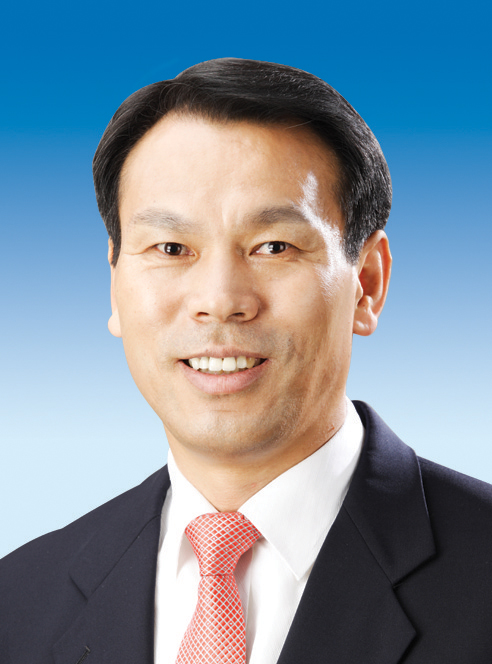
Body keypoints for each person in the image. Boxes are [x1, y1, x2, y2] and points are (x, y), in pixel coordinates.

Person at [1, 58, 492, 664]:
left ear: (367, 283)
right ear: (114, 285)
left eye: (274, 246)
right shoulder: (19, 601)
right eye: (171, 247)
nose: (219, 300)